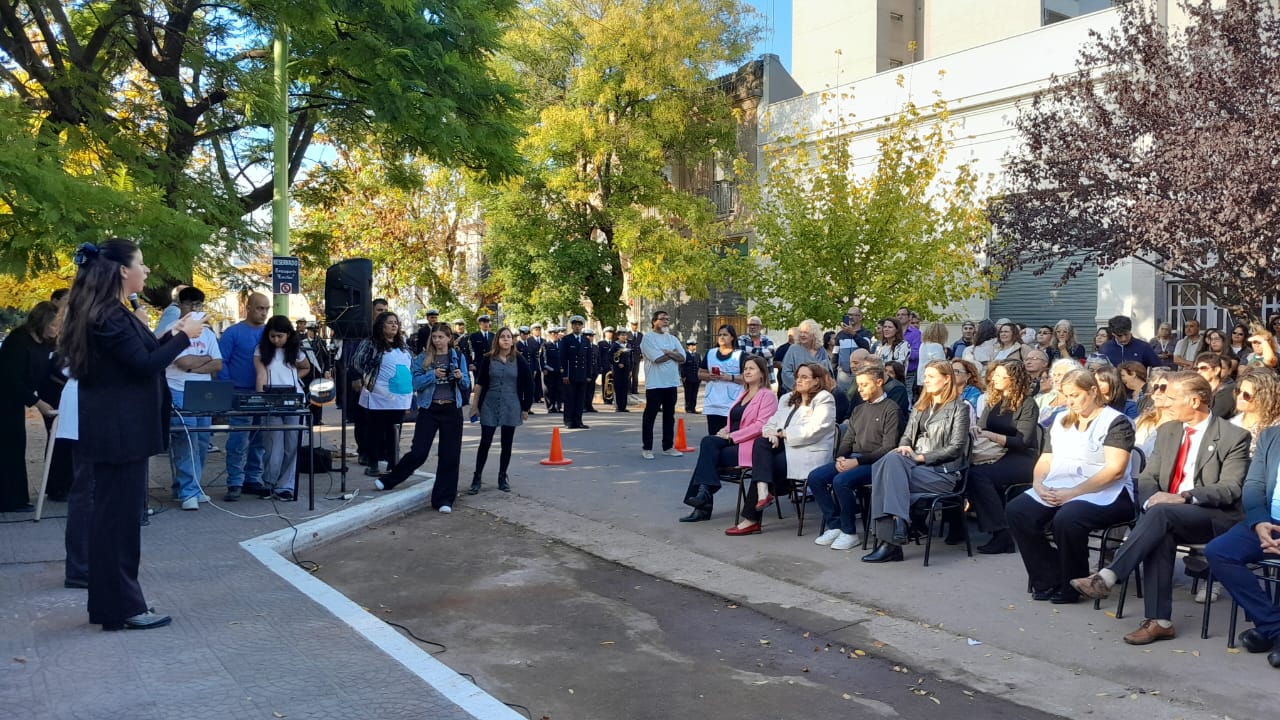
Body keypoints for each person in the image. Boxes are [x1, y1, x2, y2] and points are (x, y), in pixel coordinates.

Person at [60, 239, 205, 630]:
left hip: (118, 431)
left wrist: (169, 333)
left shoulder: (109, 313)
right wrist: (185, 335)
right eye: (141, 263)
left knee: (116, 521)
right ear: (123, 271)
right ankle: (122, 608)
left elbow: (134, 358)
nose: (146, 271)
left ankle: (112, 606)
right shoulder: (108, 315)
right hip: (119, 433)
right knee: (118, 524)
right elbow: (143, 366)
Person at [1070, 372, 1250, 644]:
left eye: (1173, 397)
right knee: (1160, 527)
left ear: (1195, 400)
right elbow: (1148, 478)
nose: (1165, 403)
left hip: (1213, 517)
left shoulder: (1233, 436)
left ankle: (1108, 576)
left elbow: (1230, 488)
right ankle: (1160, 621)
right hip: (1164, 515)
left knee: (1161, 514)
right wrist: (1151, 499)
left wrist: (1186, 496)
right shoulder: (1167, 431)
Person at [1005, 369, 1135, 604]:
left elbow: (1115, 470)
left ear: (1093, 391)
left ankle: (1072, 583)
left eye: (1075, 395)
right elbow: (1045, 459)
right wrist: (1038, 483)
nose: (1070, 401)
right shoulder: (1061, 420)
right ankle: (1048, 577)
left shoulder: (1116, 422)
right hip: (1060, 483)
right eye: (1066, 395)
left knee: (1067, 519)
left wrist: (1073, 493)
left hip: (1106, 492)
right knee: (1018, 510)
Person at [862, 360, 970, 563]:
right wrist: (904, 447)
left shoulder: (959, 409)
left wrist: (921, 457)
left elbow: (956, 448)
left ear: (946, 379)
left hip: (941, 473)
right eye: (925, 376)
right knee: (891, 460)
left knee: (883, 472)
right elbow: (906, 437)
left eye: (931, 376)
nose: (925, 380)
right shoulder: (921, 407)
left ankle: (891, 541)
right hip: (911, 469)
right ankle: (899, 523)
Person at [726, 363, 837, 536]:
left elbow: (814, 430)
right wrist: (771, 433)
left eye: (805, 377)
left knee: (765, 464)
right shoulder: (787, 398)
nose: (799, 380)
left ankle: (752, 518)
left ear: (816, 381)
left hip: (806, 452)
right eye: (798, 376)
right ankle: (763, 493)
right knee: (761, 443)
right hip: (783, 448)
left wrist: (781, 434)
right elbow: (770, 423)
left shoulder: (824, 399)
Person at [1205, 425, 1280, 667]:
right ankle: (1273, 626)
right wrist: (1259, 520)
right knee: (1219, 552)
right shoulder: (1271, 435)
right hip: (1268, 520)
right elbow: (1254, 484)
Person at [375, 323, 470, 509]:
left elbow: (467, 383)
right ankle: (390, 480)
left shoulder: (458, 357)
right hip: (429, 409)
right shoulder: (422, 358)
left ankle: (444, 499)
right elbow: (415, 383)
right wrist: (432, 375)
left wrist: (460, 377)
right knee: (419, 451)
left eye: (441, 337)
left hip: (451, 410)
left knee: (449, 456)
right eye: (435, 337)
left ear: (449, 338)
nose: (437, 341)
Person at [808, 363, 902, 551]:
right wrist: (841, 457)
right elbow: (847, 439)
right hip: (853, 459)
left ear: (879, 382)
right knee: (815, 478)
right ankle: (834, 524)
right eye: (858, 385)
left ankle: (849, 531)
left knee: (841, 481)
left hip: (876, 463)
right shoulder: (859, 410)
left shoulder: (892, 409)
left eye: (864, 385)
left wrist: (856, 461)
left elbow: (888, 447)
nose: (859, 389)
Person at [680, 356, 777, 522]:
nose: (747, 371)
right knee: (709, 444)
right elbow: (733, 421)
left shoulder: (767, 396)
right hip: (732, 441)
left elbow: (761, 425)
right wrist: (724, 430)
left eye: (751, 368)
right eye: (745, 368)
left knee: (708, 452)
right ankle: (703, 494)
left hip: (749, 445)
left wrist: (732, 436)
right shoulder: (743, 393)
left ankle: (702, 502)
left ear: (762, 373)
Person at [965, 360, 1040, 554]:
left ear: (1012, 379)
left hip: (1022, 458)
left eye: (999, 375)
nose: (993, 378)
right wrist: (976, 429)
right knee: (968, 471)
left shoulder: (1028, 404)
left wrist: (993, 436)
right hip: (995, 453)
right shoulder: (994, 400)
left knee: (979, 476)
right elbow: (982, 427)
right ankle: (962, 527)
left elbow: (1023, 441)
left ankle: (1002, 534)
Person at [0, 302, 61, 512]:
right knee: (8, 447)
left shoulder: (44, 344)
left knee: (15, 447)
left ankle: (14, 498)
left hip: (14, 402)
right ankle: (8, 499)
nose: (56, 329)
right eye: (54, 325)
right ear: (42, 322)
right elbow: (10, 379)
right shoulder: (18, 341)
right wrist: (37, 403)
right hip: (5, 399)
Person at [165, 287, 222, 510]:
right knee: (185, 441)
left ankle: (190, 486)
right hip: (178, 390)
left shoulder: (207, 333)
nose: (196, 309)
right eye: (191, 304)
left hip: (203, 393)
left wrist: (194, 366)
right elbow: (182, 362)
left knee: (201, 442)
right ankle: (188, 490)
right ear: (181, 305)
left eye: (199, 305)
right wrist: (202, 361)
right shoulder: (173, 330)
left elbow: (217, 363)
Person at [217, 292, 270, 500]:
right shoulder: (233, 333)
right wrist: (228, 388)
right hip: (240, 392)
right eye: (259, 308)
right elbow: (222, 362)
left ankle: (253, 479)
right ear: (248, 308)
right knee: (239, 439)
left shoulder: (269, 333)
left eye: (266, 308)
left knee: (259, 438)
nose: (264, 312)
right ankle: (235, 481)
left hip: (263, 394)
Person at [470, 326, 533, 497]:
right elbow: (480, 383)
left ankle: (502, 477)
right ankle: (477, 477)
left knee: (507, 443)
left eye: (509, 337)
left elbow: (529, 384)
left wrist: (526, 407)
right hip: (490, 403)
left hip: (511, 404)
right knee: (486, 441)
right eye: (502, 337)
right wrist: (474, 406)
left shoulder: (519, 359)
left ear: (513, 340)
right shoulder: (488, 359)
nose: (506, 339)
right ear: (497, 340)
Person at [253, 315, 310, 501]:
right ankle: (269, 482)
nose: (276, 340)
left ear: (288, 335)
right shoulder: (261, 350)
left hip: (294, 399)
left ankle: (286, 485)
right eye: (272, 336)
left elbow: (306, 367)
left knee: (292, 444)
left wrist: (296, 377)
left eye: (280, 336)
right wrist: (262, 397)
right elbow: (261, 374)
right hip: (271, 400)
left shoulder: (296, 351)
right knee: (273, 444)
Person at [351, 311, 414, 476]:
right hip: (377, 395)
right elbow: (357, 362)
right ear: (381, 325)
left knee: (395, 431)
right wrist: (369, 376)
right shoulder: (371, 343)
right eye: (390, 322)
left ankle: (393, 464)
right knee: (375, 431)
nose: (394, 325)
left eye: (396, 322)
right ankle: (373, 464)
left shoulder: (403, 345)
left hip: (399, 397)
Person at [640, 309, 686, 459]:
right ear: (654, 321)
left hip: (671, 383)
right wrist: (671, 354)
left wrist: (669, 353)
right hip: (655, 383)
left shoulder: (672, 338)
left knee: (669, 416)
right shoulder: (648, 338)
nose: (666, 321)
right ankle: (647, 447)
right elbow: (656, 358)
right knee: (650, 416)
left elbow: (683, 357)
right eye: (662, 319)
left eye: (667, 319)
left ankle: (668, 446)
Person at [699, 325, 744, 433]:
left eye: (725, 335)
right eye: (720, 335)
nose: (722, 337)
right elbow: (700, 373)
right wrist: (709, 376)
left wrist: (730, 377)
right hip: (713, 403)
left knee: (729, 435)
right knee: (713, 435)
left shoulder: (740, 355)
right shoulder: (710, 353)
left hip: (732, 402)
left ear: (732, 337)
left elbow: (746, 378)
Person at [1229, 369, 1280, 452]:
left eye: (1246, 395)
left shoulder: (1275, 429)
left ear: (1264, 398)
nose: (1239, 397)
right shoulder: (1233, 422)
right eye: (1238, 392)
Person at [780, 319, 831, 394]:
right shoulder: (793, 349)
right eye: (801, 332)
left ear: (814, 335)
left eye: (806, 332)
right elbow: (786, 373)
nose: (802, 335)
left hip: (818, 391)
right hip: (797, 392)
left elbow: (828, 372)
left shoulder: (821, 350)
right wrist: (802, 387)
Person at [559, 316, 593, 429]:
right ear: (572, 326)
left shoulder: (585, 340)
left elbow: (588, 359)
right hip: (570, 374)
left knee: (580, 399)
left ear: (582, 326)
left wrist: (589, 374)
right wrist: (564, 374)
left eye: (579, 325)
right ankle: (569, 421)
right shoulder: (566, 339)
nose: (577, 327)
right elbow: (563, 358)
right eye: (575, 325)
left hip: (582, 374)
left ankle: (578, 421)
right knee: (570, 398)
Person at [1133, 369, 1172, 456]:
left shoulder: (1182, 426)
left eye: (1163, 388)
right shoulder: (1143, 420)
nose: (1157, 392)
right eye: (1155, 388)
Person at [1193, 351, 1237, 420]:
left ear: (1216, 370)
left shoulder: (1228, 390)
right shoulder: (1197, 389)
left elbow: (1214, 417)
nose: (1199, 372)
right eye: (1196, 369)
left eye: (1203, 368)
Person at [738, 316, 776, 385]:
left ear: (760, 327)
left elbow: (770, 353)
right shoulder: (742, 339)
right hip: (747, 377)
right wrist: (762, 353)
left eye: (755, 325)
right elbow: (743, 354)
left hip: (765, 376)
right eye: (750, 325)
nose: (752, 327)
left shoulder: (767, 339)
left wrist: (750, 352)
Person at [896, 306, 923, 389]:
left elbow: (916, 354)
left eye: (903, 314)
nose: (900, 317)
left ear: (909, 317)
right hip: (894, 370)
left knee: (907, 394)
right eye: (898, 315)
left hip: (909, 371)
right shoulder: (894, 331)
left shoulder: (916, 333)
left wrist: (901, 354)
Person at [542, 326, 562, 413]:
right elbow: (542, 358)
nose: (554, 335)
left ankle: (558, 407)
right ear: (549, 335)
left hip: (560, 371)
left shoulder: (561, 344)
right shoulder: (545, 345)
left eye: (556, 333)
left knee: (559, 389)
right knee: (549, 389)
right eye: (552, 333)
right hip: (549, 371)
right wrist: (544, 368)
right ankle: (550, 407)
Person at [611, 328, 632, 412]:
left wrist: (631, 369)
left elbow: (631, 358)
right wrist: (617, 364)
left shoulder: (628, 345)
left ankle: (623, 407)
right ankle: (618, 406)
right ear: (618, 336)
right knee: (618, 388)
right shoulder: (615, 345)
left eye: (625, 335)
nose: (624, 336)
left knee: (625, 388)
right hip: (618, 370)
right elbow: (610, 357)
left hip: (626, 369)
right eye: (622, 335)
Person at [682, 337, 703, 414]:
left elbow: (700, 365)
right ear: (688, 346)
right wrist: (683, 376)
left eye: (694, 345)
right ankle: (688, 408)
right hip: (688, 377)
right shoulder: (685, 354)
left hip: (696, 377)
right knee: (688, 393)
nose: (694, 346)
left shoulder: (697, 355)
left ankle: (693, 408)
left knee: (694, 393)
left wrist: (700, 376)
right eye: (692, 345)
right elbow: (682, 366)